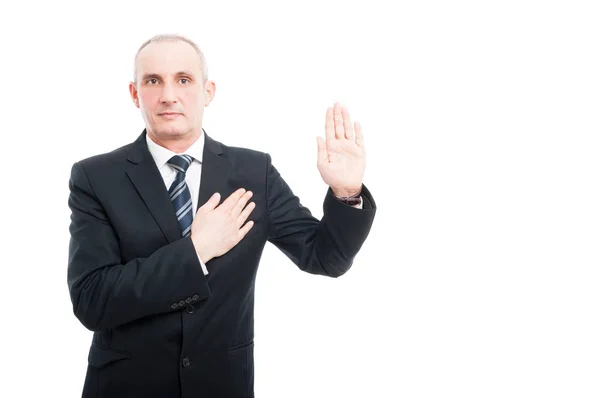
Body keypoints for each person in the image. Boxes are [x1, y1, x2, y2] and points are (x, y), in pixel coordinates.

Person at [67, 33, 377, 398]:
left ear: (208, 91)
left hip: (222, 385)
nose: (169, 95)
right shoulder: (96, 177)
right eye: (153, 81)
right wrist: (195, 251)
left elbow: (326, 257)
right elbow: (92, 300)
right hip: (126, 387)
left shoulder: (252, 172)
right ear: (135, 94)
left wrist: (346, 193)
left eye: (184, 80)